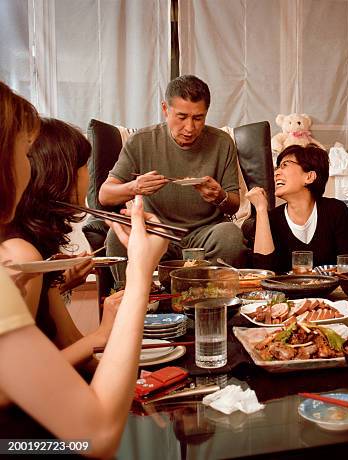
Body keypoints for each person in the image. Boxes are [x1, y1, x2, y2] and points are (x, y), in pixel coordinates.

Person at [0, 81, 168, 457]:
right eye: (24, 151)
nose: (28, 166)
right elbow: (96, 436)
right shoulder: (16, 251)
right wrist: (140, 271)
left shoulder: (24, 259)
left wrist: (56, 290)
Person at [0, 118, 122, 368]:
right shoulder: (22, 255)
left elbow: (69, 340)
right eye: (84, 166)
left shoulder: (39, 248)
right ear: (61, 174)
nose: (89, 176)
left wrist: (140, 384)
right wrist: (103, 333)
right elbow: (23, 376)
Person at [99, 75, 247, 280]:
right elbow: (105, 196)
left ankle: (207, 298)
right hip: (157, 231)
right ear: (165, 109)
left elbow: (234, 205)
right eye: (182, 116)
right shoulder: (141, 141)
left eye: (198, 118)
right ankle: (133, 301)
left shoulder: (222, 143)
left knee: (230, 235)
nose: (190, 128)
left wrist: (219, 196)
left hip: (205, 233)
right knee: (117, 235)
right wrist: (134, 187)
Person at [245, 144, 348, 273]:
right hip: (285, 293)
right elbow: (263, 274)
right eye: (277, 168)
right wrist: (260, 209)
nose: (276, 173)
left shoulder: (336, 211)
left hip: (330, 292)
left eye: (285, 165)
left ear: (309, 177)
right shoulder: (270, 219)